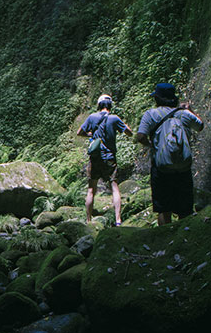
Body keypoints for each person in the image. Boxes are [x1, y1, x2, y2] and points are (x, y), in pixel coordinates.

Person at [135, 83, 204, 225]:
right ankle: (183, 238)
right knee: (185, 209)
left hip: (161, 167)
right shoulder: (184, 114)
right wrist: (190, 110)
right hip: (183, 167)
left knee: (164, 209)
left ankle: (164, 240)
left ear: (158, 99)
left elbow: (141, 137)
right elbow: (200, 126)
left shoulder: (151, 114)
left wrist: (152, 146)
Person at [77, 94, 132, 226]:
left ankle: (88, 221)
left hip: (95, 158)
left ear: (99, 105)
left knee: (91, 190)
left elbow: (80, 132)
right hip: (110, 157)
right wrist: (126, 126)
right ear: (110, 105)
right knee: (114, 187)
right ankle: (118, 220)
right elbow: (129, 133)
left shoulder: (92, 117)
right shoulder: (114, 119)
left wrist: (90, 134)